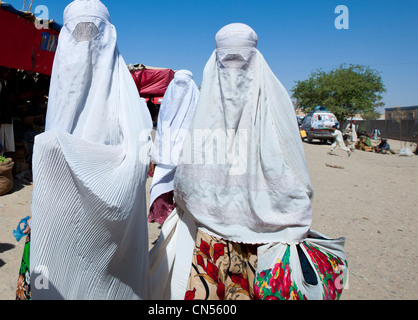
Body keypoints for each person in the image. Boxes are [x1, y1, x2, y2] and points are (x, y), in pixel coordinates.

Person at [149, 23, 348, 300]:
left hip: (264, 250)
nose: (232, 73)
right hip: (209, 243)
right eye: (225, 63)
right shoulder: (205, 114)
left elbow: (295, 177)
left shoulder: (274, 109)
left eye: (240, 62)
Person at [28, 0, 151, 300]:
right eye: (77, 34)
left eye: (92, 33)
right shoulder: (60, 91)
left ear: (109, 37)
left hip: (110, 246)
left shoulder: (126, 103)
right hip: (56, 231)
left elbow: (135, 167)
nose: (84, 44)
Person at [148, 70, 199, 226]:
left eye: (184, 85)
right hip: (166, 160)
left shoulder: (198, 106)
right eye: (177, 85)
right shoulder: (167, 106)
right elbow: (162, 132)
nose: (179, 91)